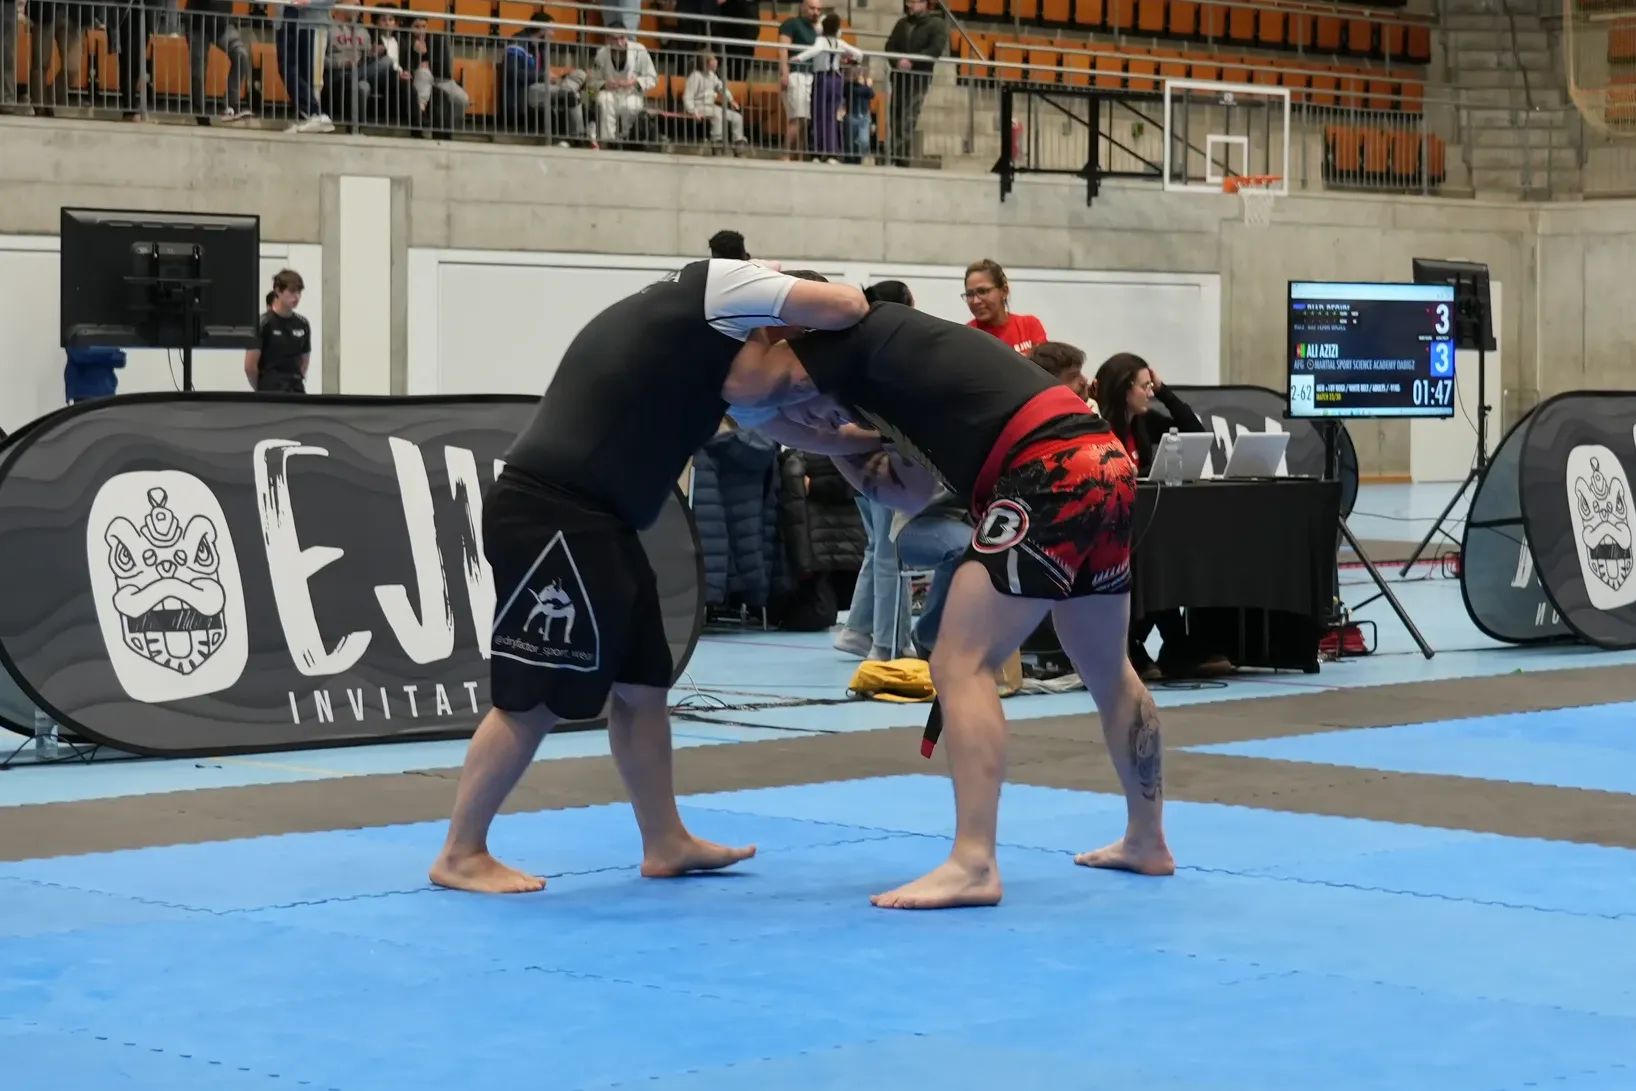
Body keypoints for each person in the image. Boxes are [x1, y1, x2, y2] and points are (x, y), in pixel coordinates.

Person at [428, 260, 871, 896]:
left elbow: (792, 427)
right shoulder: (720, 286)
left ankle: (665, 842)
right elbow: (850, 306)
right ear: (782, 317)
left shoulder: (717, 364)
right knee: (535, 695)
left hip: (596, 520)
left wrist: (881, 440)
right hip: (553, 512)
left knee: (643, 687)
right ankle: (460, 851)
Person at [728, 301, 1173, 910]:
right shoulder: (897, 377)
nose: (812, 412)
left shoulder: (849, 340)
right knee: (1106, 666)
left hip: (1046, 465)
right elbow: (904, 490)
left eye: (806, 399)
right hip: (1103, 461)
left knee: (960, 661)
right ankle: (1148, 840)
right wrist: (837, 441)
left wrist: (779, 414)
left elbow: (744, 385)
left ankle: (973, 863)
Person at [1091, 352, 1232, 680]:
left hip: (1142, 524)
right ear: (1125, 389)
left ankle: (1173, 645)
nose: (1150, 393)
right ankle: (1152, 645)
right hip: (1109, 528)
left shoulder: (1144, 422)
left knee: (1170, 553)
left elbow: (1195, 432)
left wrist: (1165, 392)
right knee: (1152, 558)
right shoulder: (1099, 426)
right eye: (1144, 386)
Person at [246, 270, 312, 393]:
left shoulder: (303, 324)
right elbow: (250, 366)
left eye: (299, 292)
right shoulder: (263, 324)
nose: (297, 297)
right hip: (270, 390)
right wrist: (260, 389)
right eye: (292, 291)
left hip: (296, 389)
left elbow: (304, 362)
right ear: (278, 291)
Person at [964, 259, 1045, 355]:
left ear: (1004, 291)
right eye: (970, 294)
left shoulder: (1029, 326)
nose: (975, 301)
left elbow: (1043, 362)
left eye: (983, 291)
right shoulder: (967, 335)